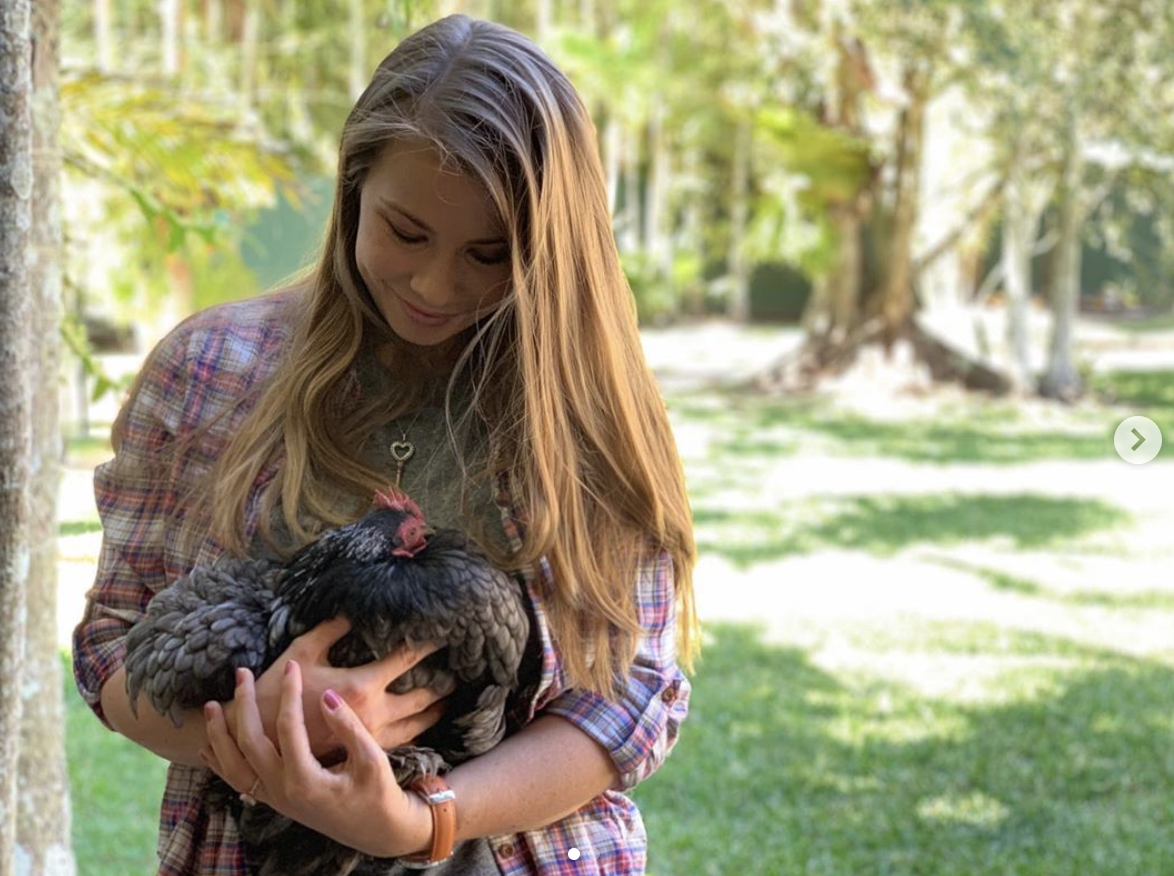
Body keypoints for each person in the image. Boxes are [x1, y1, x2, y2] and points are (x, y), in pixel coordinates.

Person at [73, 13, 698, 876]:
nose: (439, 285)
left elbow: (633, 697)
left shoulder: (586, 410)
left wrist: (421, 819)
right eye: (405, 233)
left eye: (490, 252)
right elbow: (112, 642)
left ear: (549, 248)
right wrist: (264, 740)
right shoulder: (208, 370)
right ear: (352, 188)